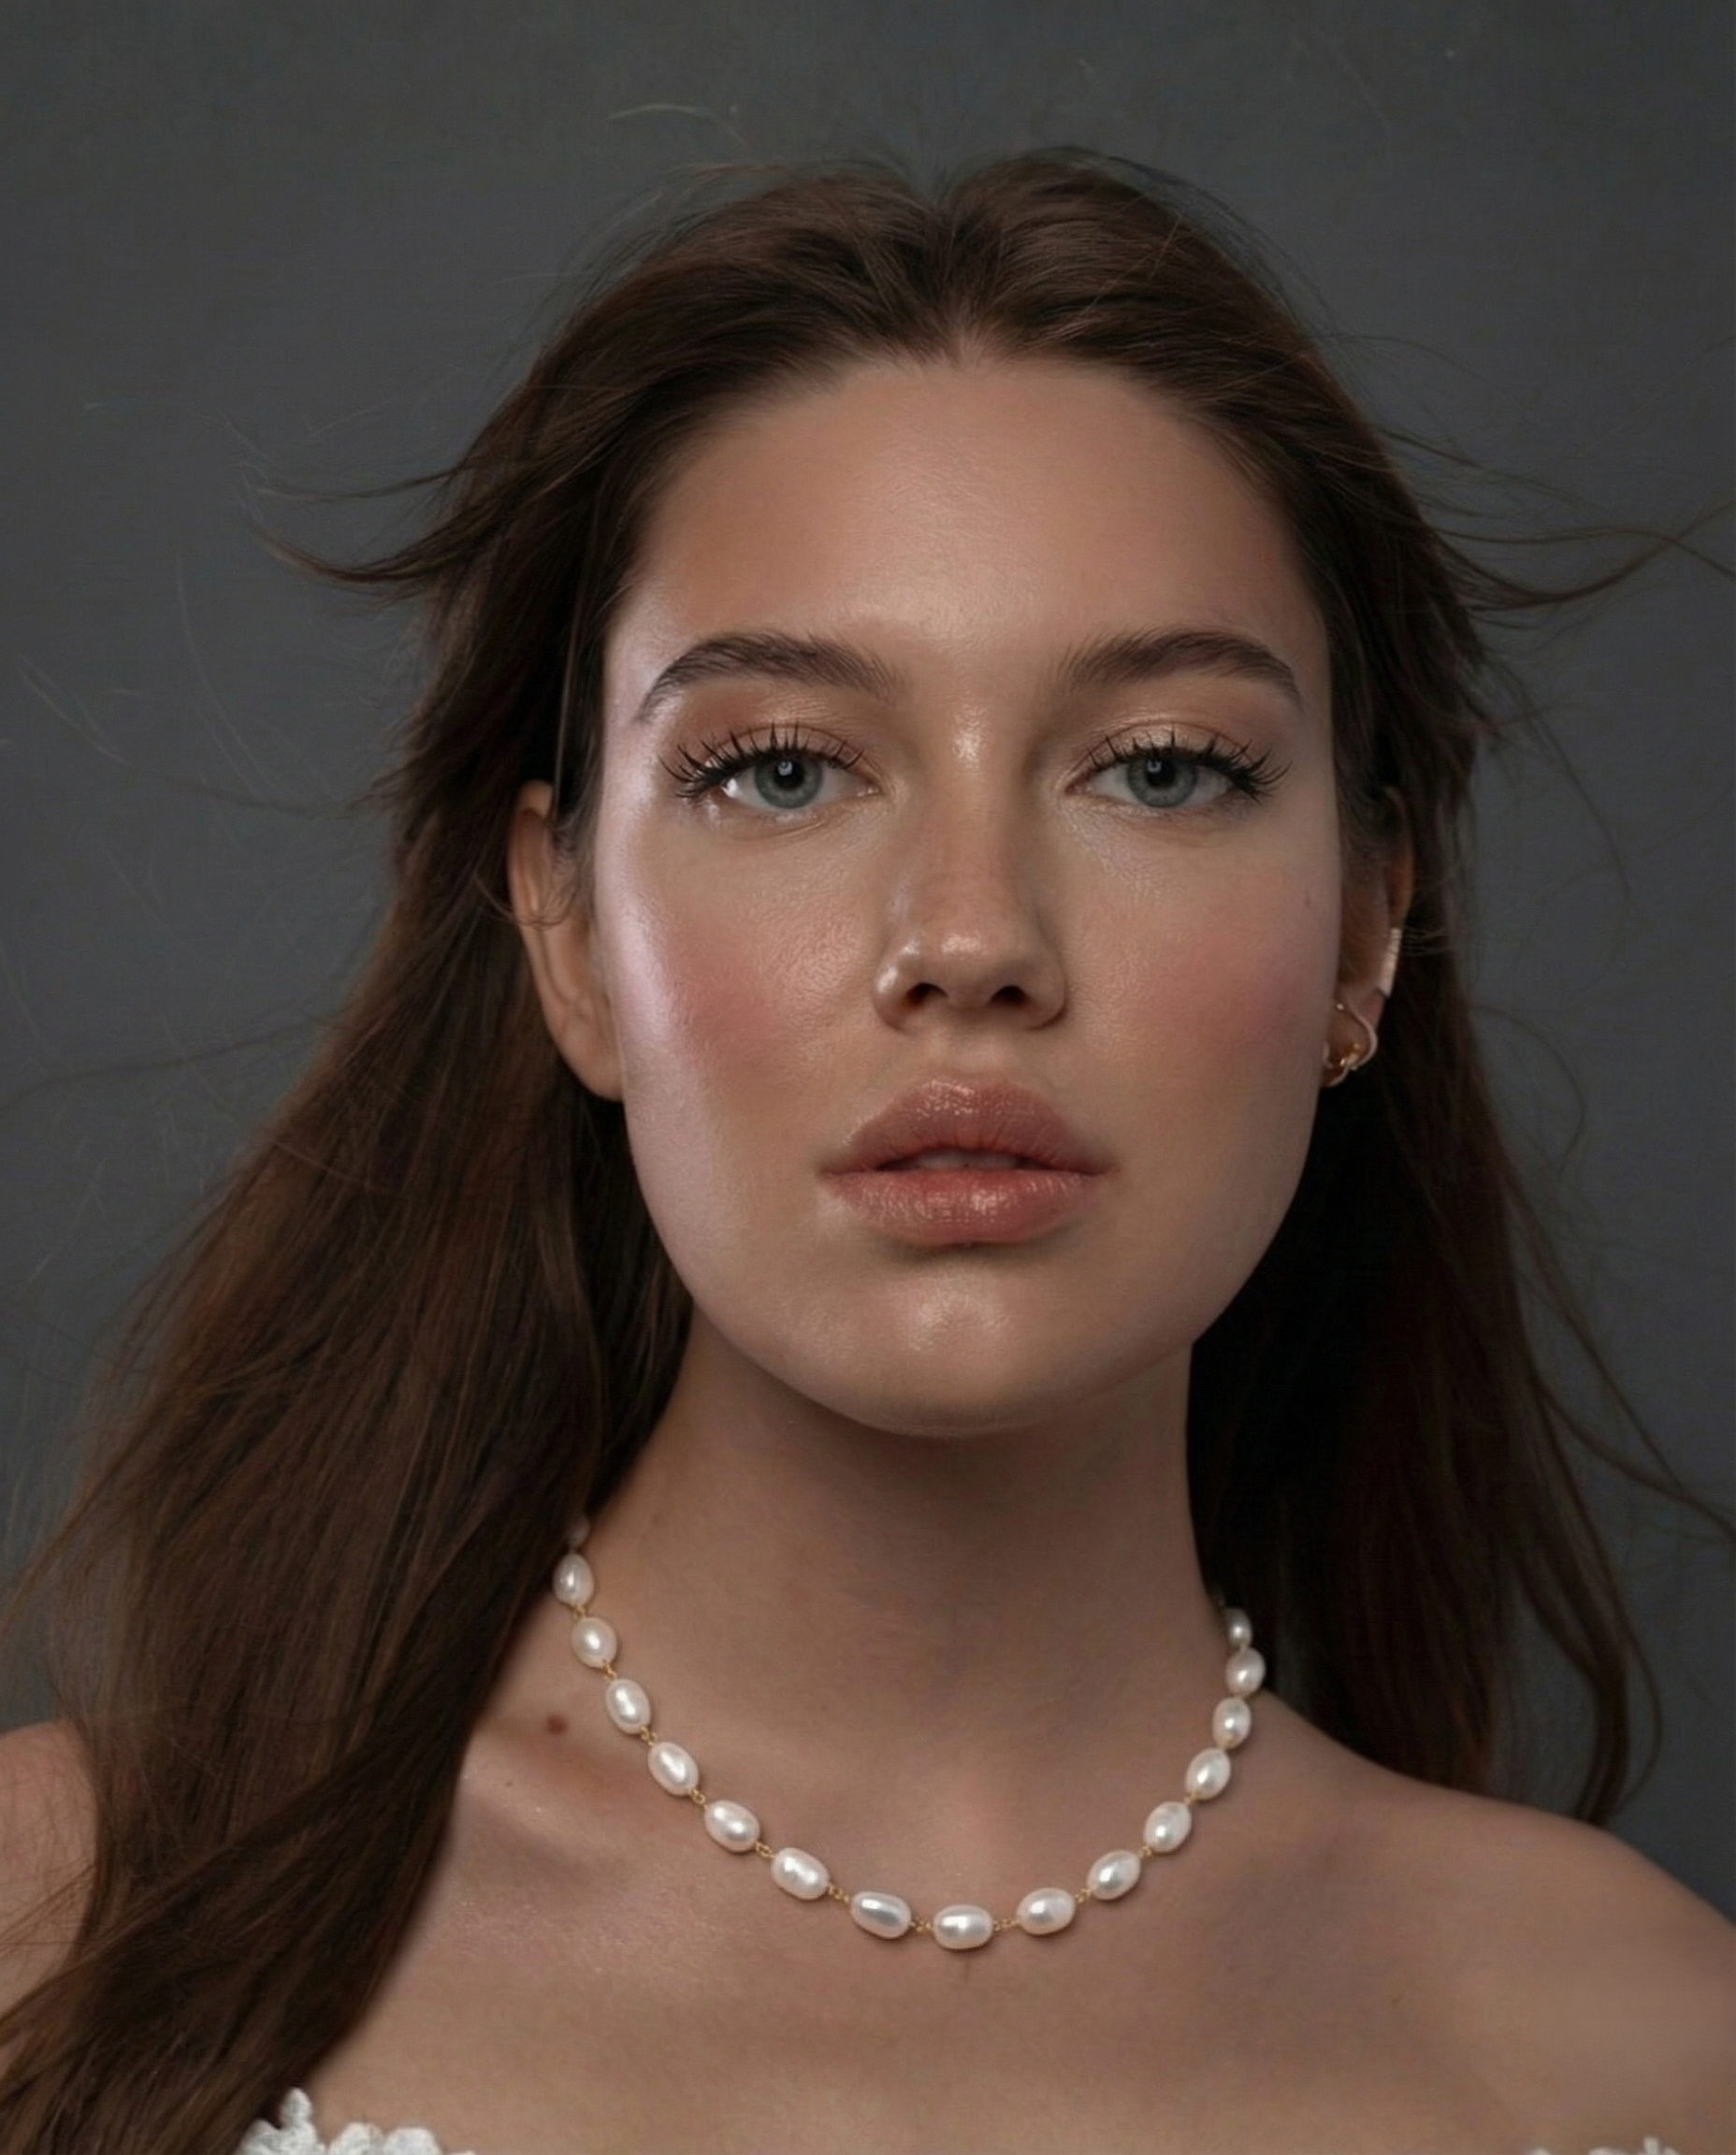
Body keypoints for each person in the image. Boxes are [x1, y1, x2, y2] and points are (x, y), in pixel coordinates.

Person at [0, 152, 1729, 2155]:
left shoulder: (1642, 2049)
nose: (972, 941)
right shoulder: (56, 1936)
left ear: (1363, 933)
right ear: (562, 930)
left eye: (1160, 768)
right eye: (783, 769)